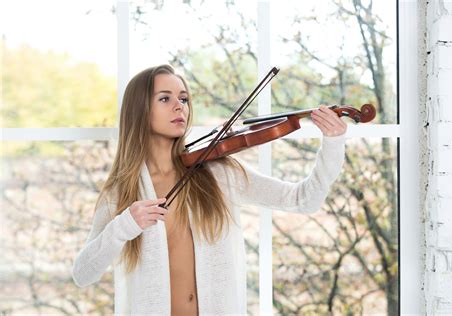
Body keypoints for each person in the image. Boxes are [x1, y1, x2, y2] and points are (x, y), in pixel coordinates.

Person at [72, 64, 347, 315]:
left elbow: (304, 199)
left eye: (183, 99)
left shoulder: (218, 173)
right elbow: (83, 273)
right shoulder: (122, 191)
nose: (179, 106)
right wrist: (125, 225)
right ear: (139, 110)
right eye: (165, 98)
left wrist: (333, 142)